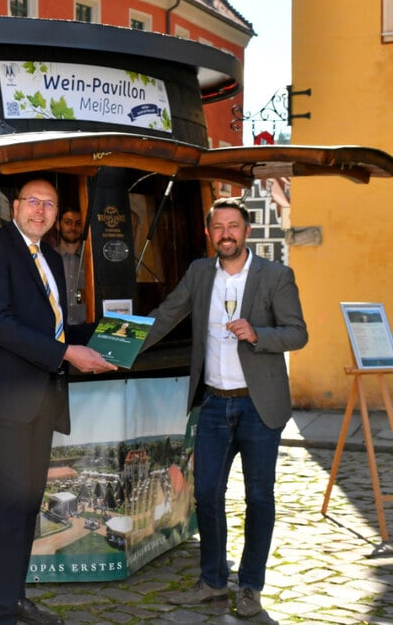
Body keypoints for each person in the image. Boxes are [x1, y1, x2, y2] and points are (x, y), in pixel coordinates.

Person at [141, 197, 308, 618]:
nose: (226, 234)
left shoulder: (276, 276)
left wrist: (257, 333)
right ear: (209, 233)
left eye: (233, 226)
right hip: (215, 403)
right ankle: (213, 581)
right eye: (219, 227)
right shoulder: (200, 273)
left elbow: (297, 334)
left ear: (246, 231)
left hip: (259, 406)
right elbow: (166, 315)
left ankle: (250, 586)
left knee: (259, 497)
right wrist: (119, 346)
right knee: (207, 494)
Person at [0, 178, 117, 625]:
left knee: (30, 502)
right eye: (33, 201)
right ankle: (0, 614)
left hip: (43, 396)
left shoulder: (49, 257)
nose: (41, 210)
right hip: (10, 398)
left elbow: (56, 330)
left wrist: (108, 336)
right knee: (13, 503)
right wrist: (67, 353)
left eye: (50, 204)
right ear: (15, 206)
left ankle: (13, 598)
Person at [54, 206, 91, 341]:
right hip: (56, 331)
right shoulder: (48, 258)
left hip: (86, 330)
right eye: (68, 222)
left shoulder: (91, 261)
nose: (73, 227)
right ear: (58, 225)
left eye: (78, 223)